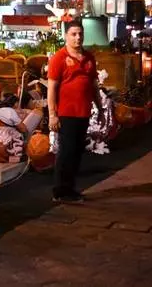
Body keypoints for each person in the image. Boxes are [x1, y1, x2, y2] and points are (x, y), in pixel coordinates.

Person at [48, 19, 103, 204]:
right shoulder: (59, 58)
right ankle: (60, 192)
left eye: (80, 33)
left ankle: (70, 189)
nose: (78, 37)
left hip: (84, 112)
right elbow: (52, 88)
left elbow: (94, 86)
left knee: (78, 151)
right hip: (66, 113)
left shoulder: (89, 58)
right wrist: (52, 114)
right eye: (73, 34)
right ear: (66, 36)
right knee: (66, 152)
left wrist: (101, 108)